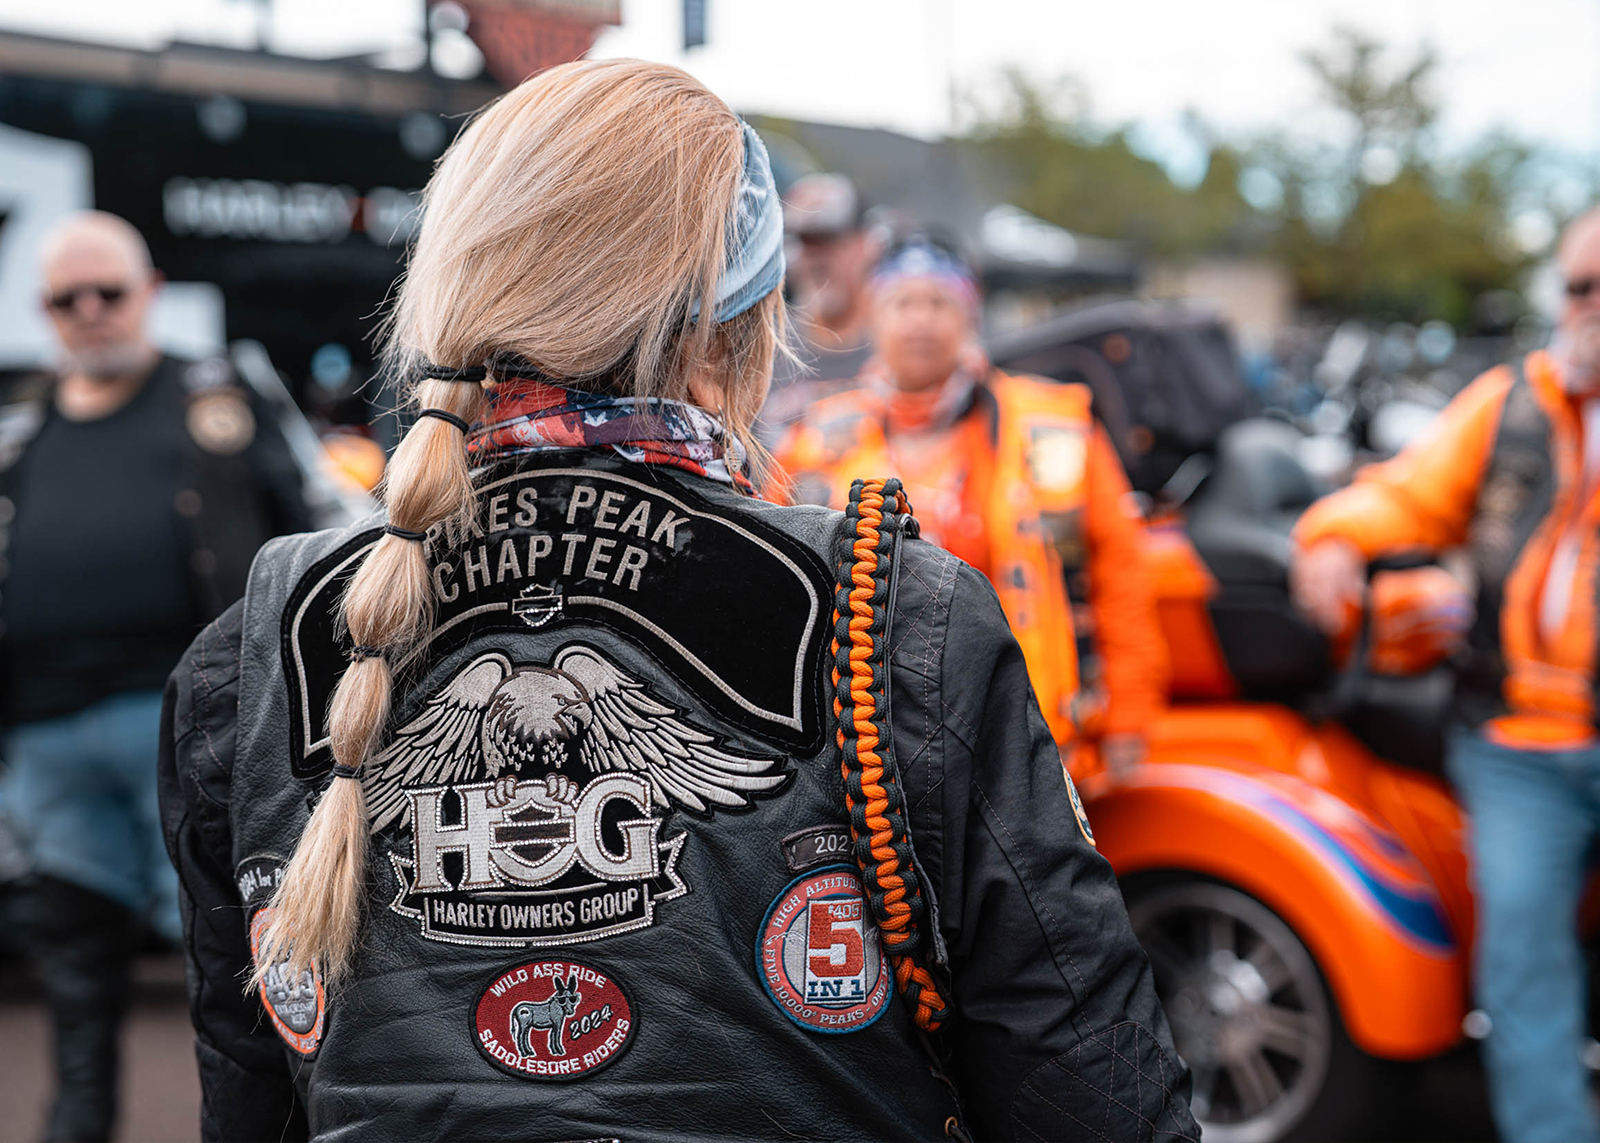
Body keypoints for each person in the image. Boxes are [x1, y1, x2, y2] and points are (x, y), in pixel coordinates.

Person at [158, 60, 1197, 1142]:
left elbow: (250, 1105)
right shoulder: (888, 612)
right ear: (732, 324)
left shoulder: (253, 645)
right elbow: (1097, 1094)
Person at [1291, 207, 1600, 1143]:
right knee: (1522, 963)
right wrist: (1335, 535)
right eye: (1582, 288)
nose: (1594, 307)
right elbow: (1405, 491)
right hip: (1519, 744)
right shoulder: (1511, 399)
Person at [1, 211, 310, 1142]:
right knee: (76, 978)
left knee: (241, 972)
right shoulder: (18, 423)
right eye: (68, 298)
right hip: (49, 731)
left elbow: (298, 527)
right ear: (45, 311)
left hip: (190, 730)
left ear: (151, 291)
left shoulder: (215, 392)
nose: (91, 311)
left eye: (109, 291)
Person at [776, 234, 1168, 763]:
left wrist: (1129, 717)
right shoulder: (818, 439)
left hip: (1023, 731)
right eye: (902, 303)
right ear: (874, 319)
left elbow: (1122, 573)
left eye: (939, 303)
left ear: (969, 317)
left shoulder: (1053, 427)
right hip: (870, 742)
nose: (920, 320)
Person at [755, 172, 880, 446]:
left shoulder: (901, 347)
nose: (813, 259)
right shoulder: (760, 346)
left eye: (827, 241)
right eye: (800, 242)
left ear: (868, 244)